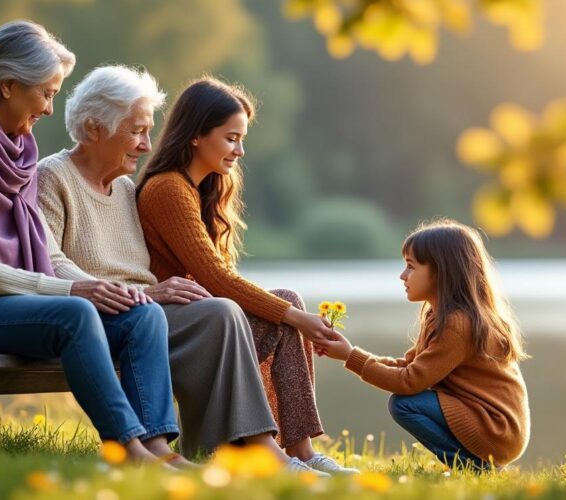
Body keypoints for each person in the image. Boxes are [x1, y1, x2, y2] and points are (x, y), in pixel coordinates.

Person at [0, 21, 184, 468]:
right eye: (45, 93)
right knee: (75, 313)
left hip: (7, 306)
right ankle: (127, 448)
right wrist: (73, 291)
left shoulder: (15, 147)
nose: (48, 108)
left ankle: (158, 449)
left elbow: (42, 251)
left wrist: (98, 286)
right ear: (7, 85)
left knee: (142, 314)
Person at [38, 65, 317, 472]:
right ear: (96, 128)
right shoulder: (55, 176)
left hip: (148, 312)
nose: (145, 144)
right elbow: (50, 262)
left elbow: (157, 269)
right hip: (109, 316)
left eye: (148, 131)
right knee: (223, 310)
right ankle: (253, 447)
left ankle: (291, 449)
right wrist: (149, 293)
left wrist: (159, 290)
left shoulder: (126, 189)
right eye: (136, 132)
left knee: (260, 305)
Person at [136, 77, 356, 474]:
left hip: (206, 319)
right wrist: (298, 321)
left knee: (286, 299)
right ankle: (264, 449)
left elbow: (220, 278)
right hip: (172, 326)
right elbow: (215, 279)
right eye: (231, 138)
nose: (239, 150)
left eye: (242, 139)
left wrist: (291, 314)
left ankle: (302, 452)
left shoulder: (203, 189)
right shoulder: (168, 188)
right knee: (285, 310)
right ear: (196, 136)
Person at [315, 219, 531, 469]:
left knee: (404, 404)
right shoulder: (441, 316)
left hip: (496, 430)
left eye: (411, 267)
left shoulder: (458, 324)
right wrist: (349, 353)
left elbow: (409, 381)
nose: (402, 275)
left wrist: (351, 357)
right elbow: (410, 365)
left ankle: (474, 468)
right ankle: (476, 465)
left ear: (442, 272)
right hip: (492, 426)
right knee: (407, 401)